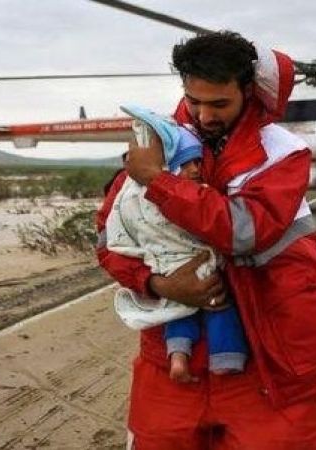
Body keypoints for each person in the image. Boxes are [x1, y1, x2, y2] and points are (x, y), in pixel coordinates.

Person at [97, 31, 316, 449]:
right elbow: (109, 239)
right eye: (193, 101)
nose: (203, 116)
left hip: (266, 358)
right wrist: (158, 285)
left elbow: (245, 232)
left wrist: (157, 181)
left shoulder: (283, 153)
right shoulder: (157, 146)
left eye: (219, 103)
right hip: (172, 360)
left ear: (249, 90)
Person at [105, 108, 247, 384]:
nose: (195, 169)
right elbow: (108, 248)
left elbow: (245, 230)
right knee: (219, 309)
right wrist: (157, 284)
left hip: (171, 276)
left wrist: (165, 285)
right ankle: (227, 358)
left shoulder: (137, 193)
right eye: (186, 163)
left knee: (178, 315)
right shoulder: (134, 184)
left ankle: (179, 356)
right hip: (196, 278)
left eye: (197, 162)